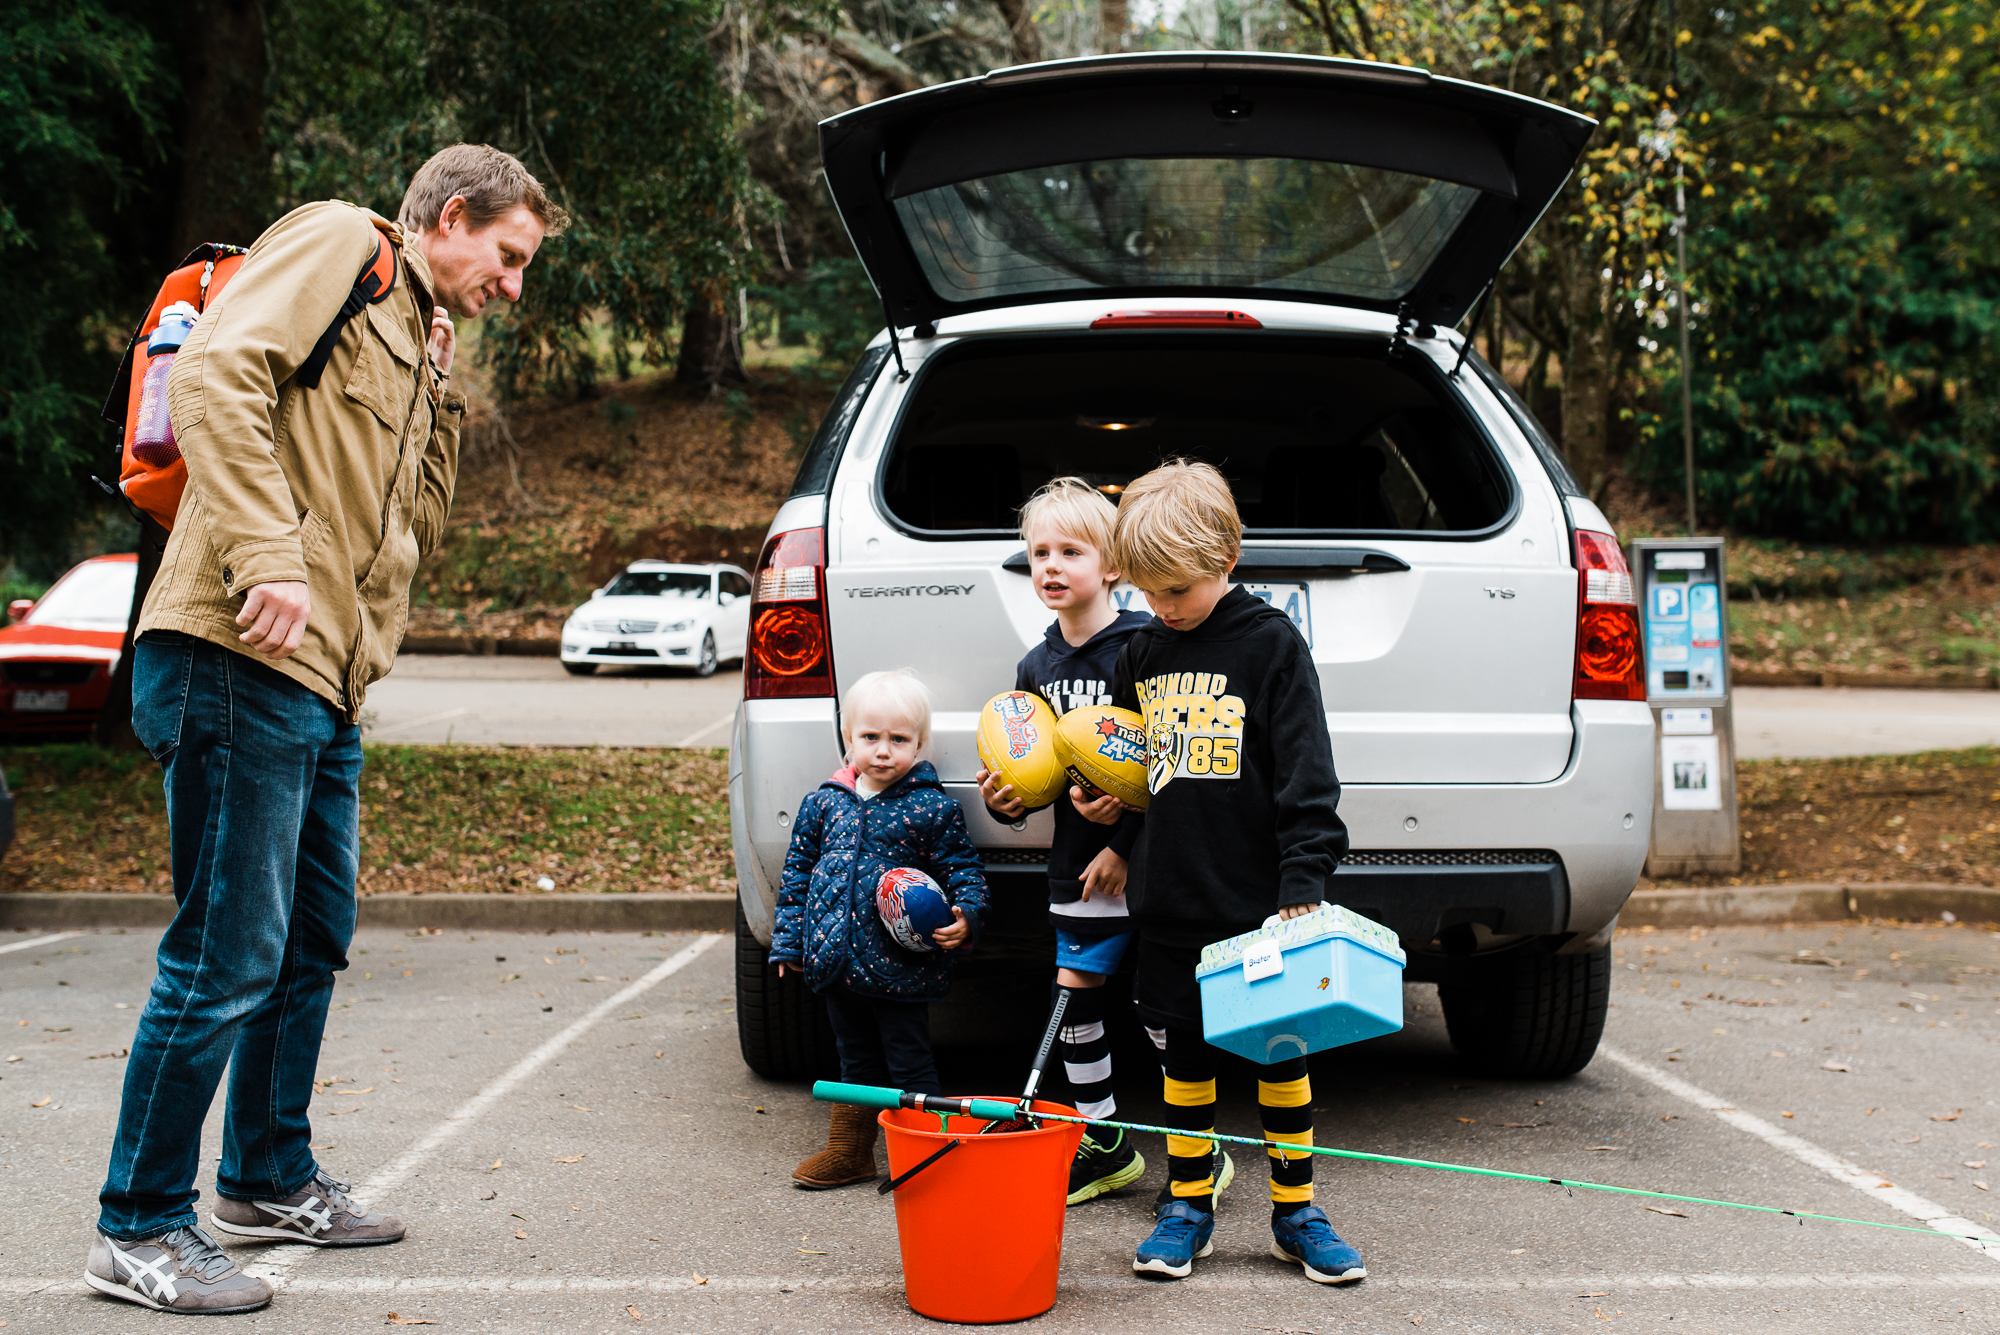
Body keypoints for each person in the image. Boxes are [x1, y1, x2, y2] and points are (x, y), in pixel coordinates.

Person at [87, 146, 567, 1315]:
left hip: (322, 682)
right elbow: (212, 381)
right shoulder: (339, 245)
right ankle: (138, 1227)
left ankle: (265, 1177)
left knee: (308, 943)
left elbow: (411, 526)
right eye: (507, 259)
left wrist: (442, 389)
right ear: (451, 217)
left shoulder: (416, 332)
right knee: (224, 953)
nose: (512, 288)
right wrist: (268, 555)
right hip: (234, 653)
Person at [1107, 460, 1364, 1285]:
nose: (1162, 607)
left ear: (1229, 556)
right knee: (1184, 1062)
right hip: (1172, 901)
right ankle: (1188, 1204)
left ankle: (1297, 1212)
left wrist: (1301, 890)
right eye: (1147, 591)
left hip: (1260, 909)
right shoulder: (1141, 651)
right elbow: (1128, 773)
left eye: (1176, 588)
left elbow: (1308, 779)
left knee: (1281, 1059)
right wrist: (1106, 824)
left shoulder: (1271, 646)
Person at [974, 477, 1160, 1206]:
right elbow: (1034, 773)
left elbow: (1167, 761)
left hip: (1142, 865)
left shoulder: (1141, 649)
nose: (1050, 566)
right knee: (1077, 1004)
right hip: (1076, 866)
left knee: (1162, 1004)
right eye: (1038, 552)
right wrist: (1011, 803)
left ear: (1111, 564)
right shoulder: (1035, 667)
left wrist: (1129, 840)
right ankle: (1106, 1137)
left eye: (1070, 551)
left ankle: (1195, 1140)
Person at [773, 668, 988, 1189]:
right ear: (848, 739)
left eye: (899, 739)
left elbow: (962, 868)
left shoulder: (931, 807)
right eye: (870, 737)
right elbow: (798, 871)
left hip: (900, 969)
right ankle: (850, 1152)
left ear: (920, 744)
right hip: (838, 962)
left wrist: (968, 914)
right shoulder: (824, 803)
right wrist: (789, 940)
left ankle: (925, 1153)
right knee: (853, 1059)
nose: (884, 751)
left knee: (910, 1060)